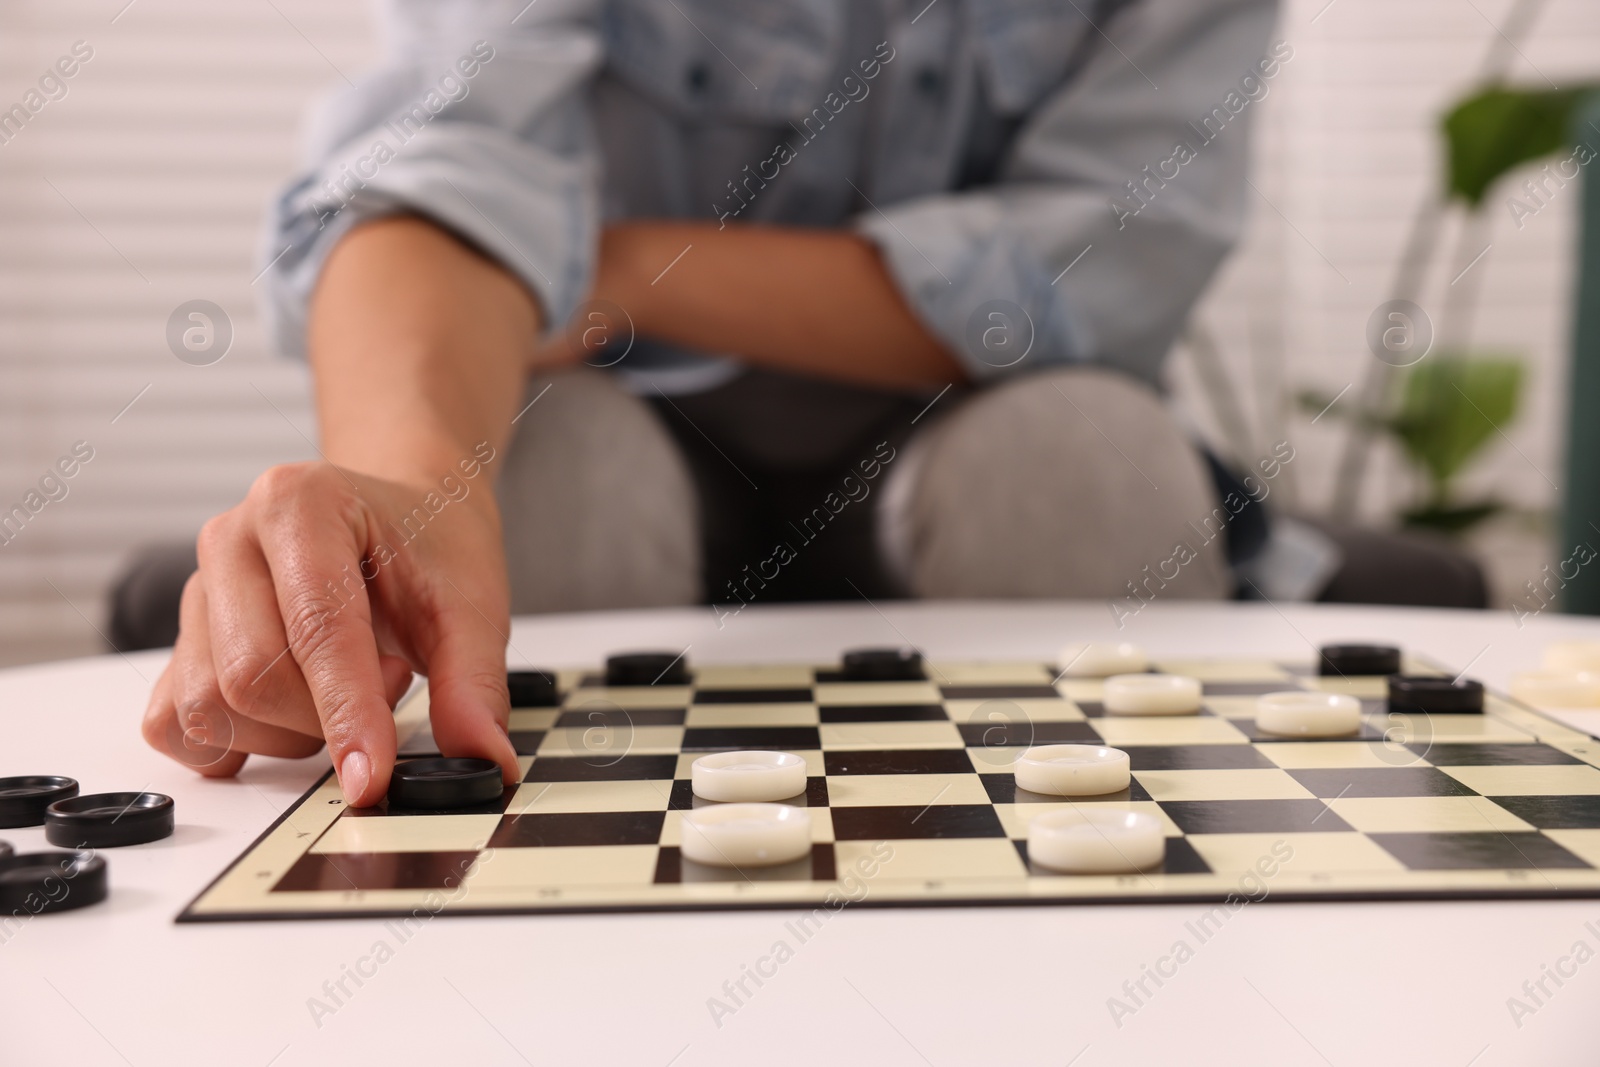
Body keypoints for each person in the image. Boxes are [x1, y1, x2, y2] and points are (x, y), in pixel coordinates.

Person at [142, 0, 1280, 804]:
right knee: (561, 469)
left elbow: (1096, 266)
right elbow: (448, 160)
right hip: (627, 413)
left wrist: (615, 270)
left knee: (1084, 459)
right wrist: (409, 479)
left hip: (971, 424)